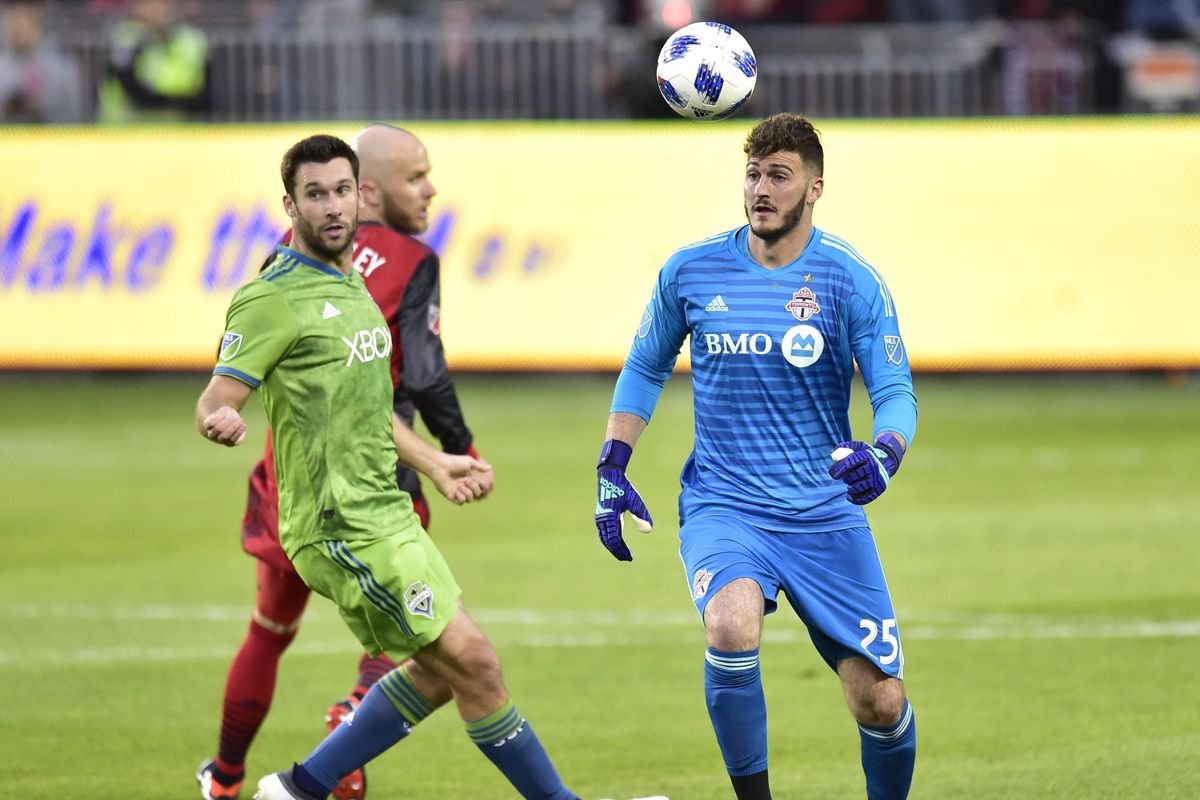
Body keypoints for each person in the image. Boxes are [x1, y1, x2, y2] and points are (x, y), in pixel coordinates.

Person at [196, 134, 577, 800]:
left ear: (359, 195)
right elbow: (217, 395)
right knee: (476, 665)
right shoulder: (271, 296)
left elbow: (372, 410)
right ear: (290, 205)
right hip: (340, 525)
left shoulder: (351, 284)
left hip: (388, 512)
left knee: (439, 674)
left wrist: (436, 463)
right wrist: (220, 417)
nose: (332, 206)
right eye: (315, 194)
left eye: (341, 190)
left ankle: (297, 789)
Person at [592, 113, 918, 799]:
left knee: (880, 702)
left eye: (779, 176)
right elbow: (645, 366)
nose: (761, 190)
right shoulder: (690, 270)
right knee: (730, 625)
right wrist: (612, 464)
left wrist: (884, 453)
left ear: (814, 188)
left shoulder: (849, 279)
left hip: (824, 512)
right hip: (726, 503)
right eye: (752, 174)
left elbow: (894, 392)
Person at [98, 0, 211, 123]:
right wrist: (169, 106)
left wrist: (182, 106)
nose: (155, 8)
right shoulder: (126, 37)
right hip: (128, 127)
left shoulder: (192, 38)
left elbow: (207, 88)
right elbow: (127, 82)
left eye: (162, 3)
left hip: (184, 126)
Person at [0, 1, 84, 123]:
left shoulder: (62, 70)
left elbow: (73, 119)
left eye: (24, 17)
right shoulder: (2, 68)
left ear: (38, 21)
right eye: (12, 17)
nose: (17, 25)